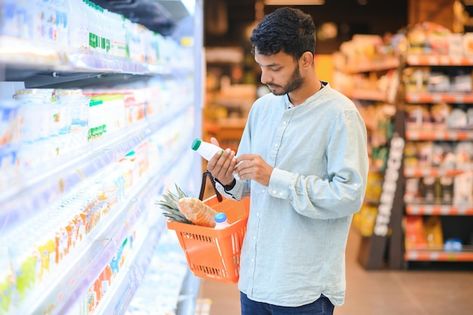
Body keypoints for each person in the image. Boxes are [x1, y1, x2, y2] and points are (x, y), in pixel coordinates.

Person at [207, 7, 368, 315]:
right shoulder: (262, 109)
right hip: (254, 281)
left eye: (275, 68)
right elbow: (243, 186)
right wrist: (225, 175)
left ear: (306, 60)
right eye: (261, 66)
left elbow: (349, 196)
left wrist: (274, 177)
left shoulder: (340, 116)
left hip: (303, 290)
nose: (265, 77)